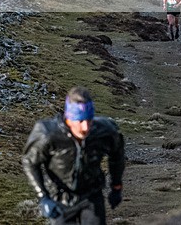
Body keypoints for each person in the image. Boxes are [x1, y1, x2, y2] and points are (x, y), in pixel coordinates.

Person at [23, 86, 125, 225]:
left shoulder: (105, 132)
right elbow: (30, 161)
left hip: (92, 196)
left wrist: (116, 187)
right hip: (61, 199)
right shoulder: (48, 134)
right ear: (69, 119)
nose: (85, 127)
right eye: (80, 121)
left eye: (89, 120)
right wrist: (43, 197)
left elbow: (117, 154)